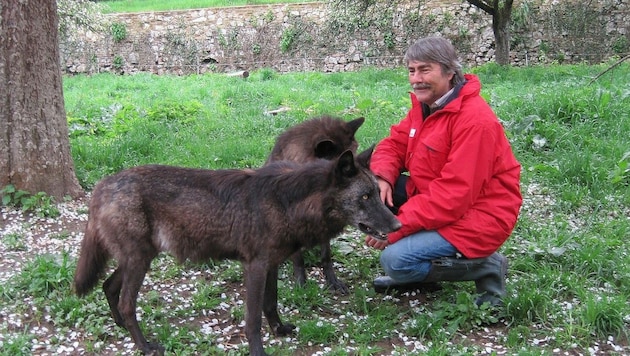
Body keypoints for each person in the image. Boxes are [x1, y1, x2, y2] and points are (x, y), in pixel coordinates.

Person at [365, 37, 522, 306]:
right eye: (412, 71)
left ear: (450, 72)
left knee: (395, 261)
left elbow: (454, 196)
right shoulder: (427, 106)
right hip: (439, 203)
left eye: (425, 70)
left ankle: (487, 266)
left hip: (478, 216)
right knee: (372, 192)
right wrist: (382, 177)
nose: (416, 79)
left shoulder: (475, 121)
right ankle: (420, 272)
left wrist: (397, 227)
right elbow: (394, 144)